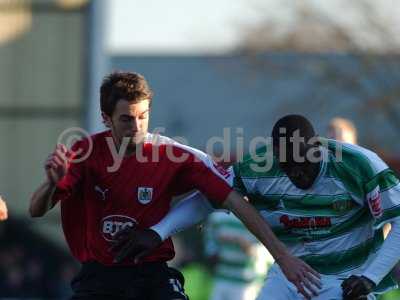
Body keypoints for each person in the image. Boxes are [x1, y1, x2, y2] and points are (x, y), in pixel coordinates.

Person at [29, 73, 320, 300]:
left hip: (151, 274)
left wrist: (282, 257)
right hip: (100, 278)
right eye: (126, 119)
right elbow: (36, 209)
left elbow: (233, 199)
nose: (137, 127)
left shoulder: (173, 156)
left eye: (143, 117)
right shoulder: (85, 151)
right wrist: (51, 185)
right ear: (106, 119)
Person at [131, 114, 400, 300]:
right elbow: (208, 196)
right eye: (289, 167)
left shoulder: (360, 165)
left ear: (317, 147)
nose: (298, 175)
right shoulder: (256, 168)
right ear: (274, 154)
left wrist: (369, 277)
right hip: (289, 275)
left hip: (345, 279)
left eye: (304, 163)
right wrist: (158, 232)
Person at [205, 211, 272, 300]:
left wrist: (243, 243)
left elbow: (267, 255)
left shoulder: (261, 217)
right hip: (222, 278)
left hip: (248, 282)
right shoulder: (216, 217)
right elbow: (211, 251)